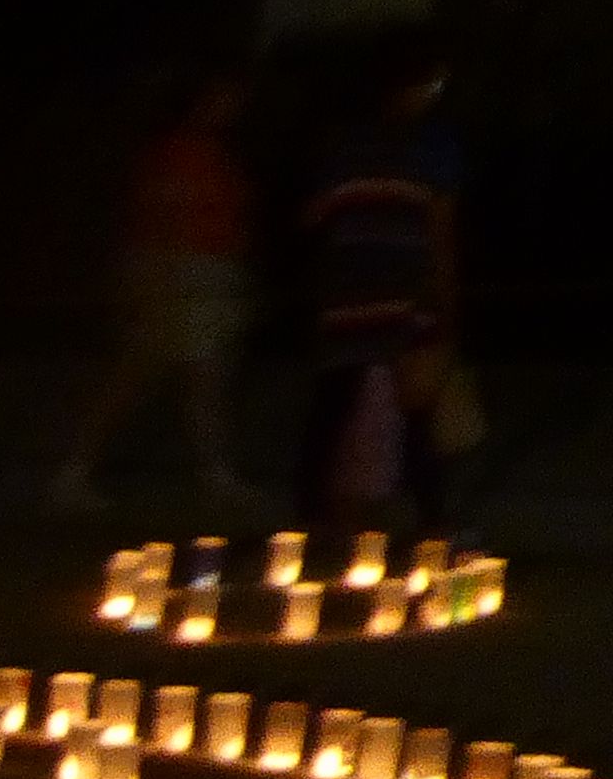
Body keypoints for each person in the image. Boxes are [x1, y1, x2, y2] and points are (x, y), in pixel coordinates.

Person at [53, 76, 255, 511]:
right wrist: (153, 283)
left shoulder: (217, 155)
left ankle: (213, 472)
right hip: (179, 273)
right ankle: (75, 469)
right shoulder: (174, 153)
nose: (233, 105)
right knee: (138, 374)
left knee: (204, 378)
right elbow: (161, 218)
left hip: (207, 271)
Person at [296, 37, 464, 527]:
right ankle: (431, 515)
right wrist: (446, 299)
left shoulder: (344, 150)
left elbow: (312, 218)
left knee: (335, 402)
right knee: (411, 409)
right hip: (403, 292)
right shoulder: (427, 153)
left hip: (350, 290)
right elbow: (440, 230)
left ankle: (314, 510)